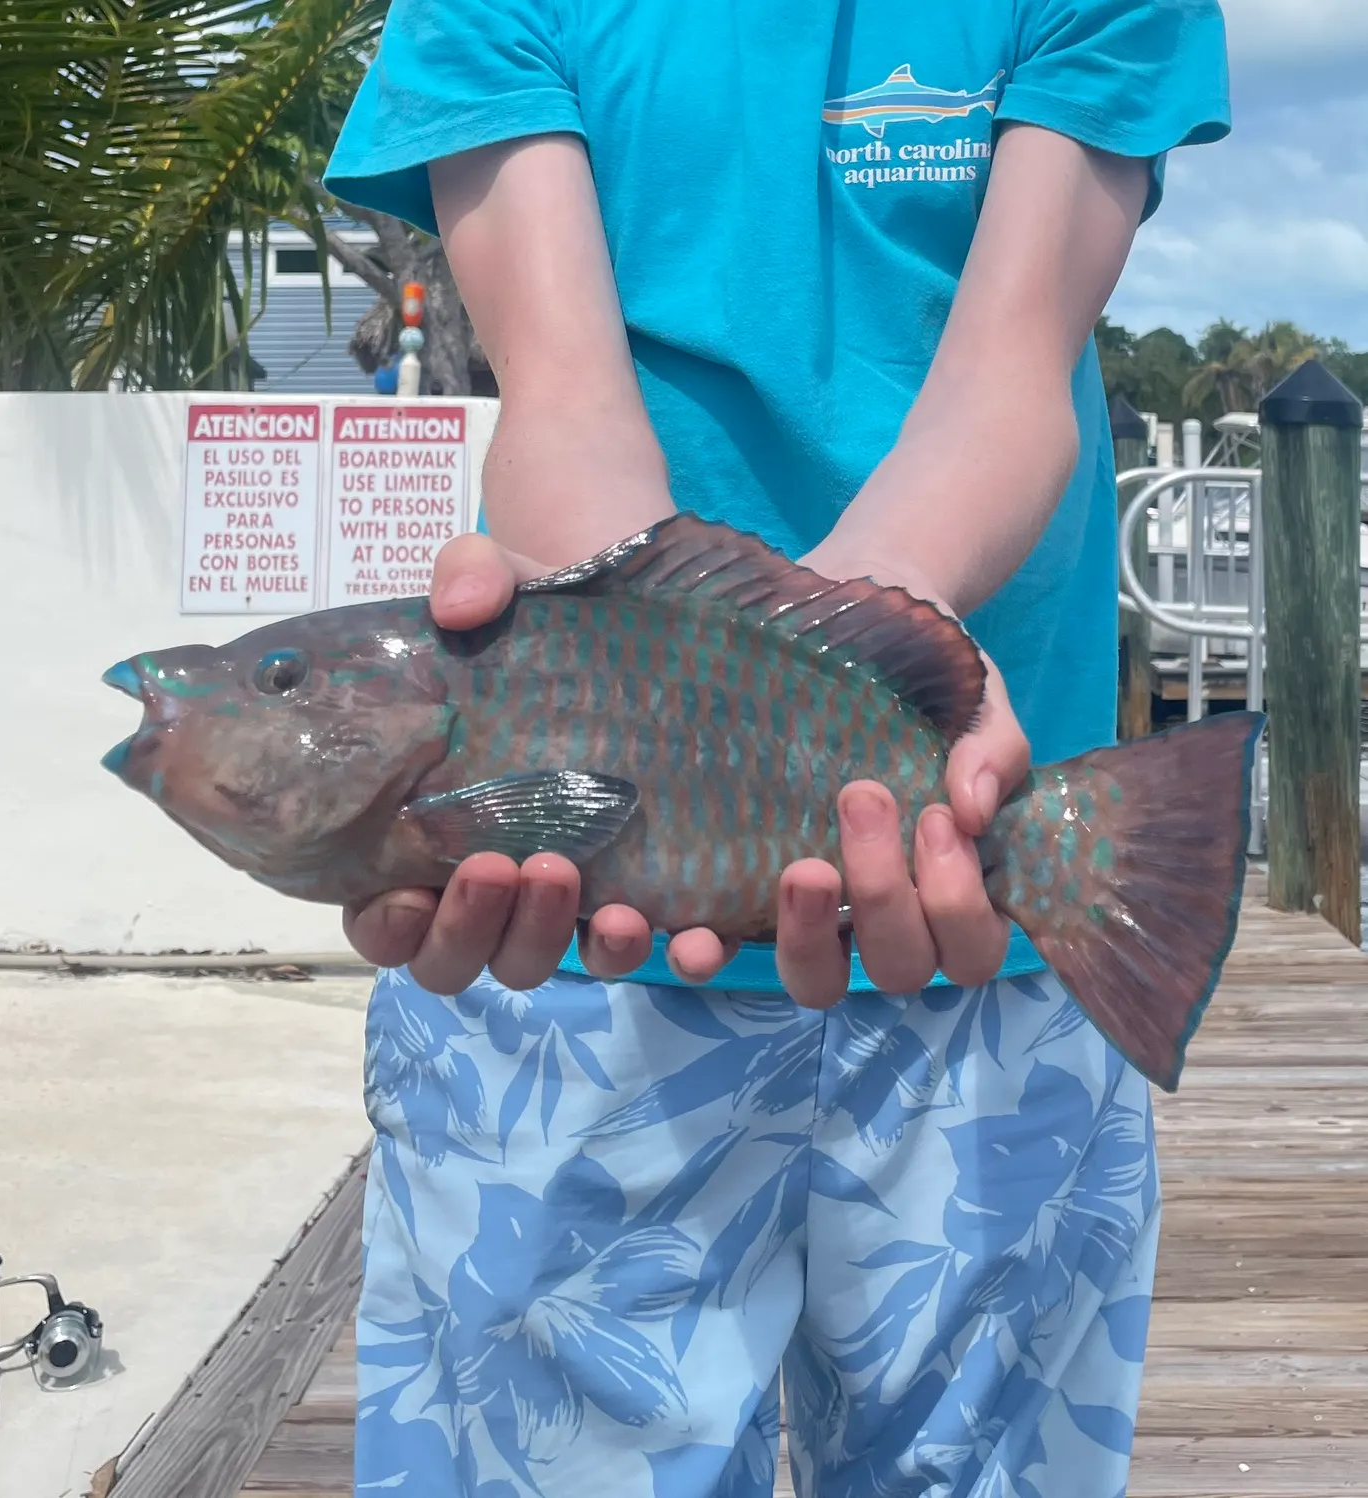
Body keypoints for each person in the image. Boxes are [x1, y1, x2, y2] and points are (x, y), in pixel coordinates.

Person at [322, 3, 1230, 1493]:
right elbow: (562, 398)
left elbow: (1010, 372)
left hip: (997, 920)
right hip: (573, 956)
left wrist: (857, 655)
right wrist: (820, 695)